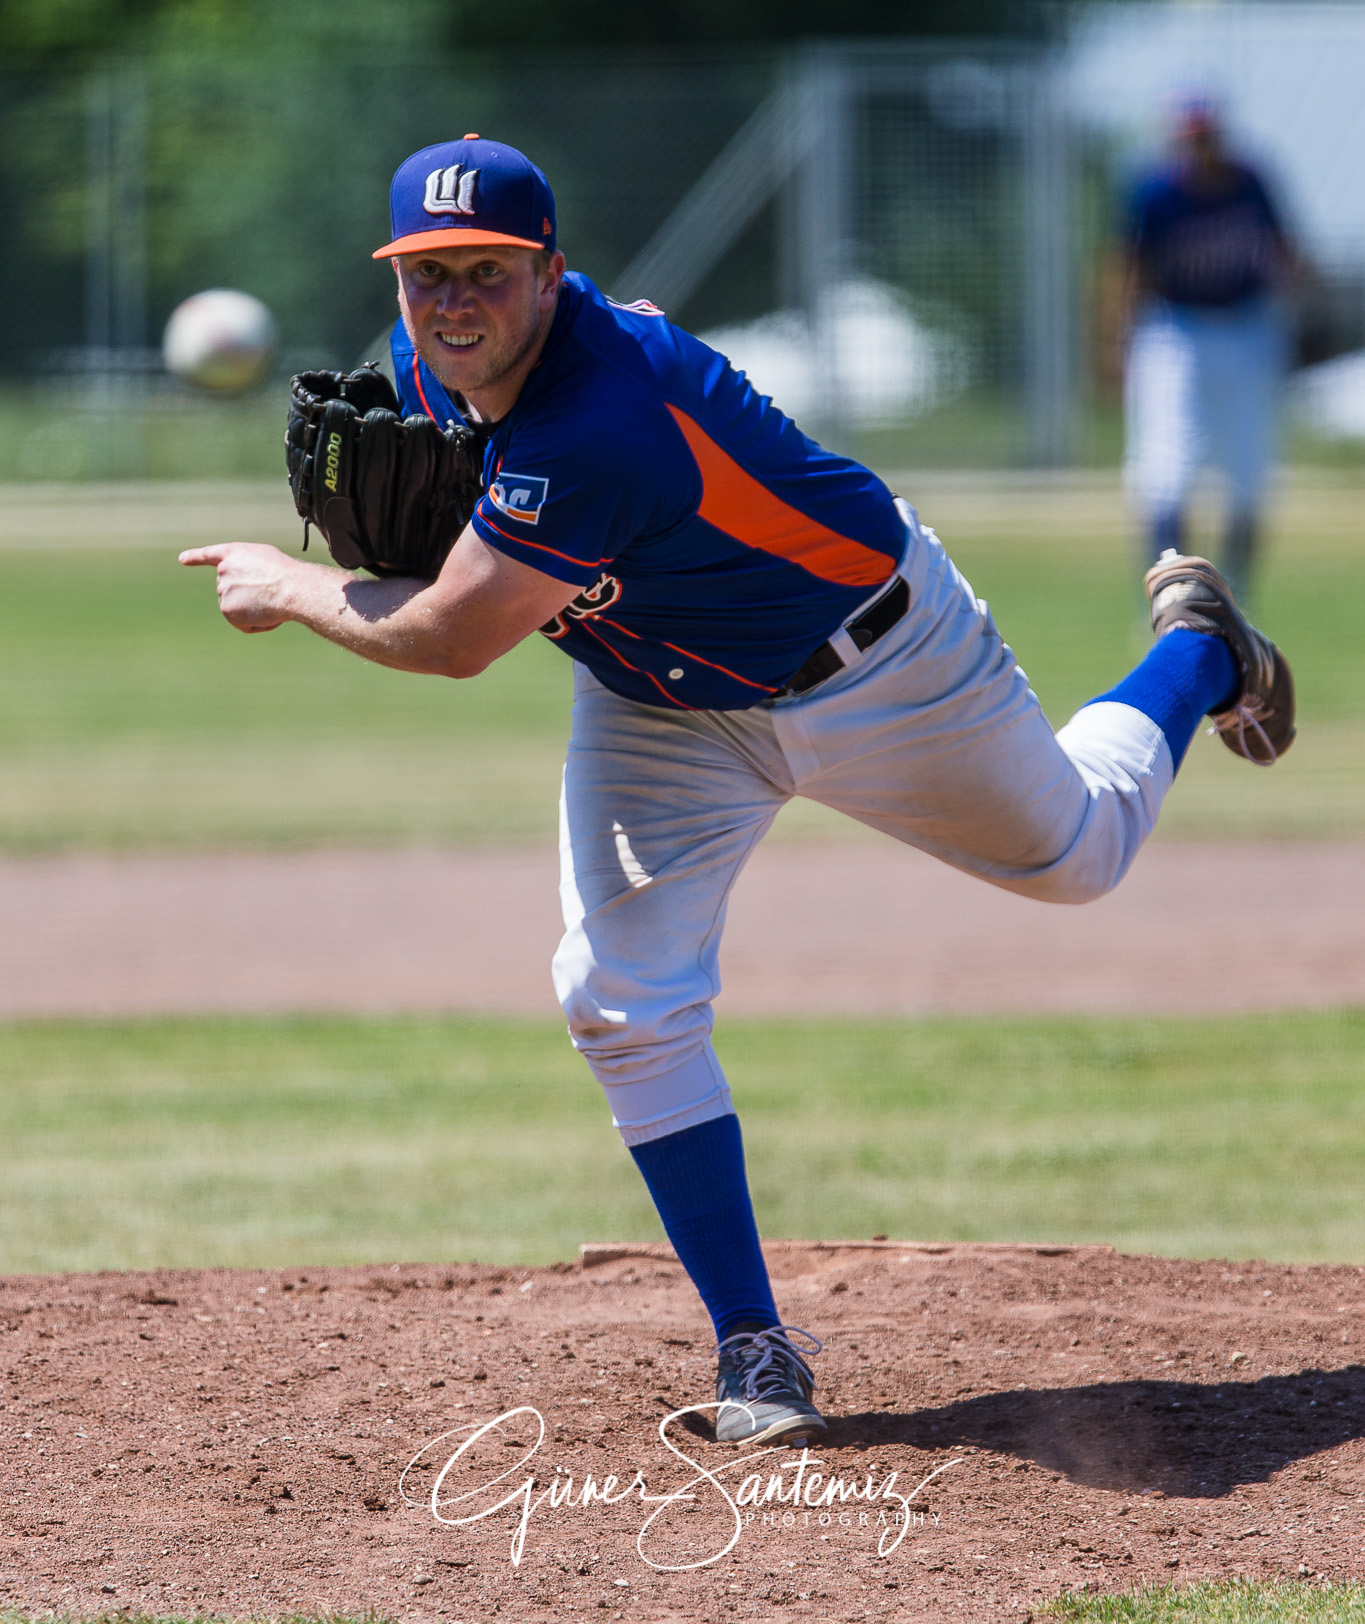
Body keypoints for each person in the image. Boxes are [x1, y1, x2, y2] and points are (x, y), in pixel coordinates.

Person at [182, 135, 1295, 1451]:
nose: (453, 300)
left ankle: (1202, 651)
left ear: (550, 270)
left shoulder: (599, 419)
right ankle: (754, 1345)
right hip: (662, 702)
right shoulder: (428, 367)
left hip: (878, 661)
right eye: (429, 272)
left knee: (1080, 852)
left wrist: (293, 584)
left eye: (487, 269)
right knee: (618, 996)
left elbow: (455, 637)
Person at [1116, 99, 1305, 598]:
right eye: (1191, 138)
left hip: (1247, 325)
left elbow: (1284, 250)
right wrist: (1115, 339)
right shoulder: (1155, 191)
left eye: (1205, 136)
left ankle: (1237, 596)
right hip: (1175, 330)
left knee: (1249, 470)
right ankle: (1171, 595)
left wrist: (1311, 312)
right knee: (1167, 468)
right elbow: (1128, 265)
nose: (1199, 147)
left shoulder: (1250, 182)